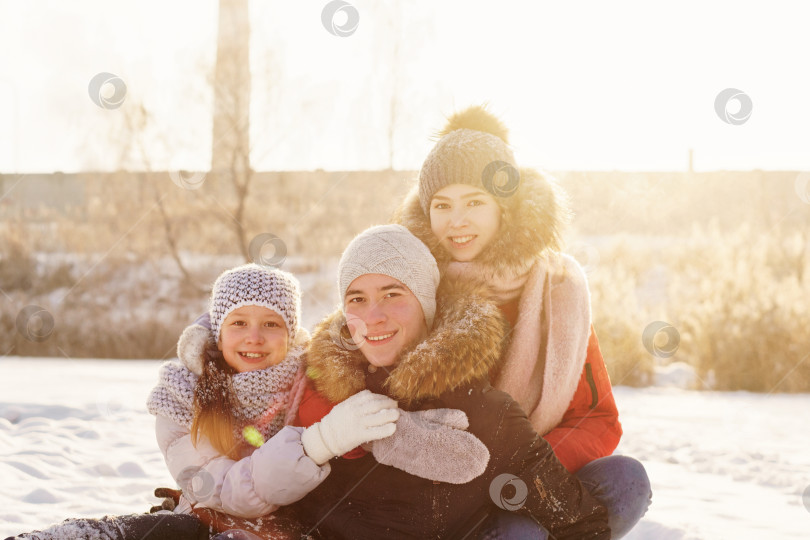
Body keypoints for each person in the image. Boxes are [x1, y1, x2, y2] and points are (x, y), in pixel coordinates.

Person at [392, 105, 652, 537]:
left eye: (475, 202)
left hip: (530, 479)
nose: (457, 221)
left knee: (627, 481)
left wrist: (528, 469)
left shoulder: (558, 290)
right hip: (444, 493)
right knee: (524, 534)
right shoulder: (410, 286)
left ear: (504, 209)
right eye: (442, 204)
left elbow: (597, 418)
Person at [291, 224, 611, 540]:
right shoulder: (317, 384)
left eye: (392, 294)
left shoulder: (488, 414)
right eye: (357, 299)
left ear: (426, 302)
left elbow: (580, 524)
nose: (372, 316)